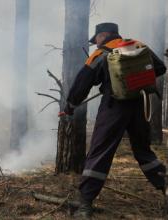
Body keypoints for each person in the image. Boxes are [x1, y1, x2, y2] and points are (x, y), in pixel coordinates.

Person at [59, 22, 167, 218]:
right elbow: (160, 68)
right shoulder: (137, 45)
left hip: (113, 107)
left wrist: (70, 106)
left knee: (99, 152)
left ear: (104, 35)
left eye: (97, 38)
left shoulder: (101, 54)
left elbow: (83, 82)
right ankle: (165, 186)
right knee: (144, 151)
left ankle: (84, 205)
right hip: (139, 106)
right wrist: (135, 79)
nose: (96, 42)